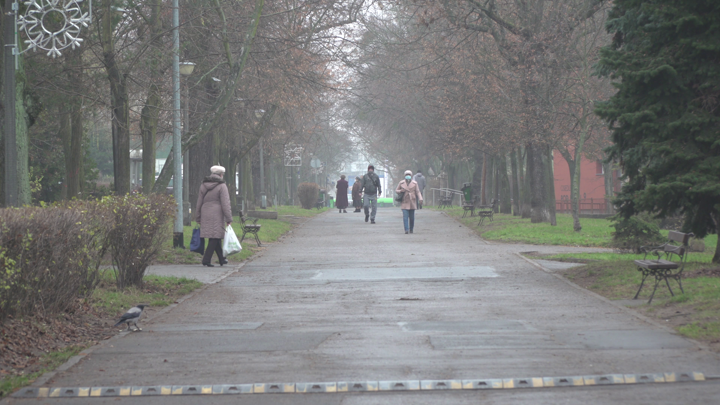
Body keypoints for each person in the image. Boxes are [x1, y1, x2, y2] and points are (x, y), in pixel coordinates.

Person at [195, 165, 232, 267]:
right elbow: (225, 203)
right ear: (221, 175)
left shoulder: (203, 185)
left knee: (215, 236)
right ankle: (206, 259)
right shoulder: (222, 186)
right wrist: (228, 218)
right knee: (215, 237)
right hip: (217, 213)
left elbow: (199, 202)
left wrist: (198, 216)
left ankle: (222, 259)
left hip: (205, 212)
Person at [396, 170, 423, 234]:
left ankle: (411, 229)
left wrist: (420, 198)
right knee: (405, 216)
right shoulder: (401, 183)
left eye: (409, 175)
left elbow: (418, 192)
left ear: (411, 175)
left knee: (412, 217)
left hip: (412, 201)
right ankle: (406, 229)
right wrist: (400, 191)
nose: (408, 176)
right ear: (404, 176)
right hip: (404, 201)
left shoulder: (415, 183)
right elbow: (396, 190)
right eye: (406, 175)